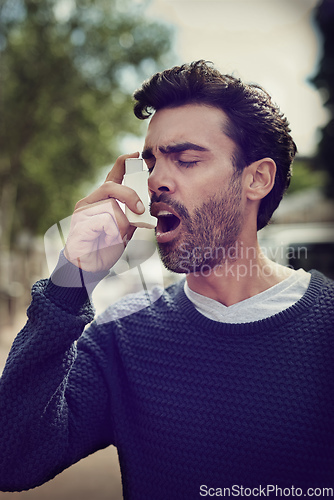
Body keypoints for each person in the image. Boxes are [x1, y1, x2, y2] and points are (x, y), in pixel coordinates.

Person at [0, 60, 333, 499]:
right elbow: (14, 458)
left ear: (257, 178)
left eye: (187, 159)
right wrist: (70, 280)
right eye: (152, 162)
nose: (156, 180)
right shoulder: (121, 337)